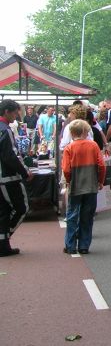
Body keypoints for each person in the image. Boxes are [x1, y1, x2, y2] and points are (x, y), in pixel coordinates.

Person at [61, 119, 105, 255]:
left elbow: (66, 169)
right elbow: (101, 165)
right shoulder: (93, 146)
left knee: (72, 215)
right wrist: (100, 181)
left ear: (72, 133)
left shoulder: (69, 148)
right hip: (91, 185)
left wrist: (68, 181)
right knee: (87, 216)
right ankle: (84, 245)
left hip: (75, 185)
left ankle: (70, 245)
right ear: (85, 132)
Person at [0, 99, 33, 256]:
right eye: (15, 112)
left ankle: (4, 244)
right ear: (7, 111)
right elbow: (11, 156)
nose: (17, 115)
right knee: (22, 208)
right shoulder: (5, 130)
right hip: (7, 177)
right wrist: (25, 172)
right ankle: (3, 240)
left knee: (4, 211)